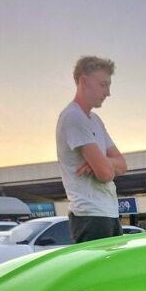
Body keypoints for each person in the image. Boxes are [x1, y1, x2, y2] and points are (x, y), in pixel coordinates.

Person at [56, 56, 127, 243]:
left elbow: (123, 165)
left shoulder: (95, 120)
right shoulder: (73, 117)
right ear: (83, 82)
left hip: (108, 213)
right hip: (90, 216)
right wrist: (104, 165)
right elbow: (105, 174)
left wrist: (103, 161)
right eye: (103, 85)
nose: (108, 93)